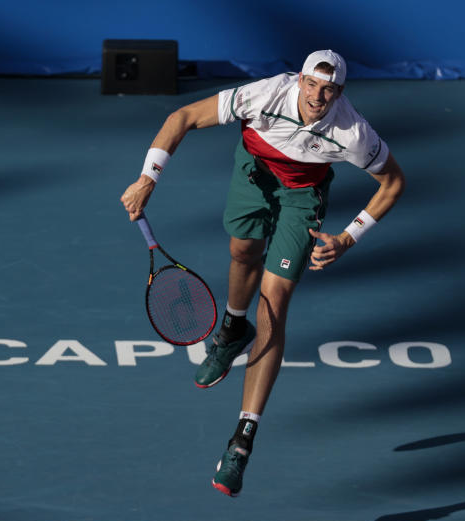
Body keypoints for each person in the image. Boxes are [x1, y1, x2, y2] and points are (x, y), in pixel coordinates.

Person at [120, 50, 405, 497]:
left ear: (340, 92)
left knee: (274, 303)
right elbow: (182, 117)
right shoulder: (265, 94)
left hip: (302, 196)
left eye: (328, 89)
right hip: (253, 175)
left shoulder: (352, 132)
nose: (317, 95)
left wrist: (348, 238)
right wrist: (148, 178)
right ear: (301, 80)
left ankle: (242, 440)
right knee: (242, 252)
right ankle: (232, 329)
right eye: (312, 84)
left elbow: (393, 182)